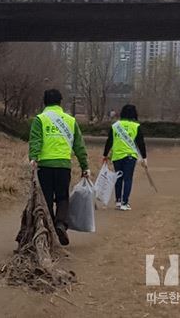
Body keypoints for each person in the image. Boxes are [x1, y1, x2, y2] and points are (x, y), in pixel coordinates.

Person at [28, 89, 90, 246]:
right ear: (60, 102)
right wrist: (85, 166)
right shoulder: (70, 120)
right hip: (63, 165)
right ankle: (61, 224)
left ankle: (48, 231)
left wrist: (33, 158)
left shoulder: (40, 119)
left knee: (46, 198)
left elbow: (36, 140)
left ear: (44, 101)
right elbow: (79, 146)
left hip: (45, 165)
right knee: (62, 197)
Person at [102, 104, 147, 211]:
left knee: (118, 178)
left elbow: (109, 141)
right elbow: (141, 143)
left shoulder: (115, 126)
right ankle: (125, 202)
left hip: (117, 156)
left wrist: (105, 154)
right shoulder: (136, 126)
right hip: (130, 156)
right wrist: (144, 158)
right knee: (128, 179)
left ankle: (118, 201)